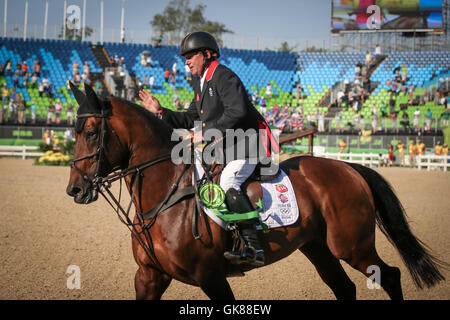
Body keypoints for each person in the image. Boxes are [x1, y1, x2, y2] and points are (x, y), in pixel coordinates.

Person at [138, 31, 278, 267]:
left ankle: (253, 247)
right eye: (184, 58)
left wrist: (204, 133)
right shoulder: (200, 82)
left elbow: (238, 112)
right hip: (225, 146)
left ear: (207, 54)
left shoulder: (223, 76)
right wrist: (161, 111)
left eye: (190, 56)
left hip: (246, 144)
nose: (186, 61)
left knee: (228, 183)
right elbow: (190, 118)